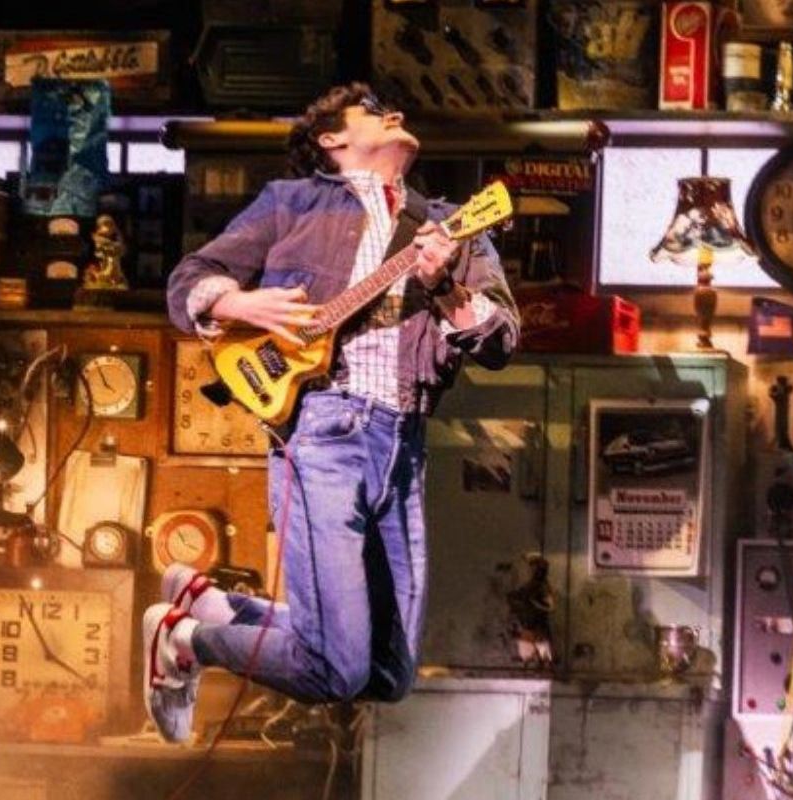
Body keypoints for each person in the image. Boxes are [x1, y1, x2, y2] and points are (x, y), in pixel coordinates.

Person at [145, 82, 520, 742]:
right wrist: (241, 305)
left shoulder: (452, 222)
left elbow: (501, 339)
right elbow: (189, 282)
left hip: (403, 440)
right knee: (336, 671)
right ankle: (185, 641)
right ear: (331, 139)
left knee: (387, 674)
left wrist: (444, 287)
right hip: (322, 432)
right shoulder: (292, 203)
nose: (396, 112)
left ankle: (217, 605)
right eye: (375, 110)